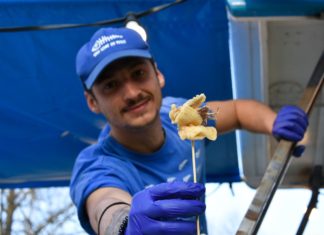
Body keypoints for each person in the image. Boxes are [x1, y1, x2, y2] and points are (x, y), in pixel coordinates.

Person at [69, 27, 308, 235]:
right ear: (93, 102)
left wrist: (274, 122)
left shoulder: (183, 117)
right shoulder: (97, 165)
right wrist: (123, 226)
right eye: (111, 85)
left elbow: (236, 111)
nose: (132, 93)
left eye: (138, 73)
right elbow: (104, 205)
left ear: (157, 74)